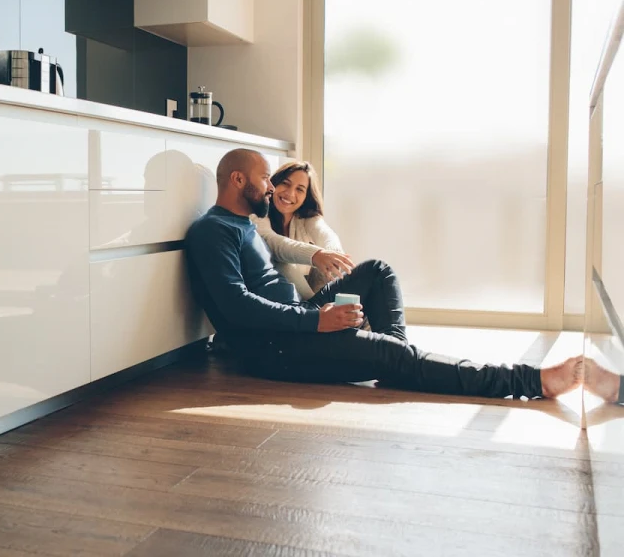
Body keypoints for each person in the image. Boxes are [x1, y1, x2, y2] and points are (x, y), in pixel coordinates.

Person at [184, 148, 582, 399]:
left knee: (378, 272)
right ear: (238, 180)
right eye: (266, 178)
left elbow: (286, 254)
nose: (271, 188)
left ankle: (395, 361)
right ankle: (531, 382)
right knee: (392, 355)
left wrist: (315, 312)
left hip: (297, 323)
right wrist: (316, 321)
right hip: (275, 349)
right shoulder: (211, 231)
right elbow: (236, 307)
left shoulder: (248, 226)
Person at [251, 161, 349, 301]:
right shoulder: (258, 214)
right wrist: (316, 254)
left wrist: (332, 256)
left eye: (300, 189)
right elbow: (272, 241)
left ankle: (339, 310)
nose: (290, 193)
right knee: (281, 261)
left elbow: (327, 235)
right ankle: (316, 309)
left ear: (306, 197)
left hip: (307, 291)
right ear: (274, 183)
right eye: (285, 183)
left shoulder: (306, 218)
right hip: (272, 293)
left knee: (378, 268)